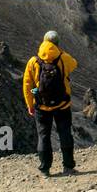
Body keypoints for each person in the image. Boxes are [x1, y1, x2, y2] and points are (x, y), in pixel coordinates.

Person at [22, 31, 78, 176]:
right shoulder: (64, 58)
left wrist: (30, 104)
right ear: (57, 44)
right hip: (62, 105)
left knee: (43, 136)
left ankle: (45, 169)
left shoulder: (33, 62)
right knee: (65, 133)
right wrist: (60, 52)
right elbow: (74, 64)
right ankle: (68, 166)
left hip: (41, 105)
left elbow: (27, 85)